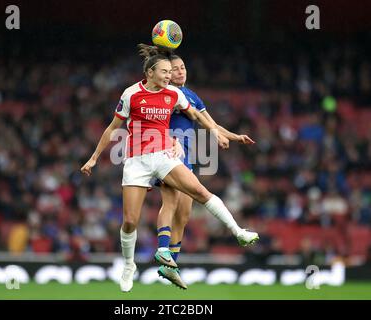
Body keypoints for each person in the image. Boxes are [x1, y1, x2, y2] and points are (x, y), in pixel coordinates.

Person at [81, 45, 259, 292]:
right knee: (131, 221)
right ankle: (129, 265)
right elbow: (113, 128)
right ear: (151, 72)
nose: (171, 76)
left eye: (175, 70)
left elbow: (197, 115)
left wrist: (220, 133)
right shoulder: (131, 94)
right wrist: (93, 158)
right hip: (137, 159)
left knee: (196, 197)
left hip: (166, 155)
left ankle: (237, 231)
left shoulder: (176, 94)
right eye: (166, 71)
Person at [155, 54, 256, 289]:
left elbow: (210, 123)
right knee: (171, 202)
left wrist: (233, 136)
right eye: (175, 69)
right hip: (169, 154)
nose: (180, 72)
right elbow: (156, 122)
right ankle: (163, 252)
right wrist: (169, 139)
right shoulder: (164, 95)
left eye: (183, 68)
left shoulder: (191, 96)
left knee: (184, 214)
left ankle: (170, 266)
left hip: (186, 158)